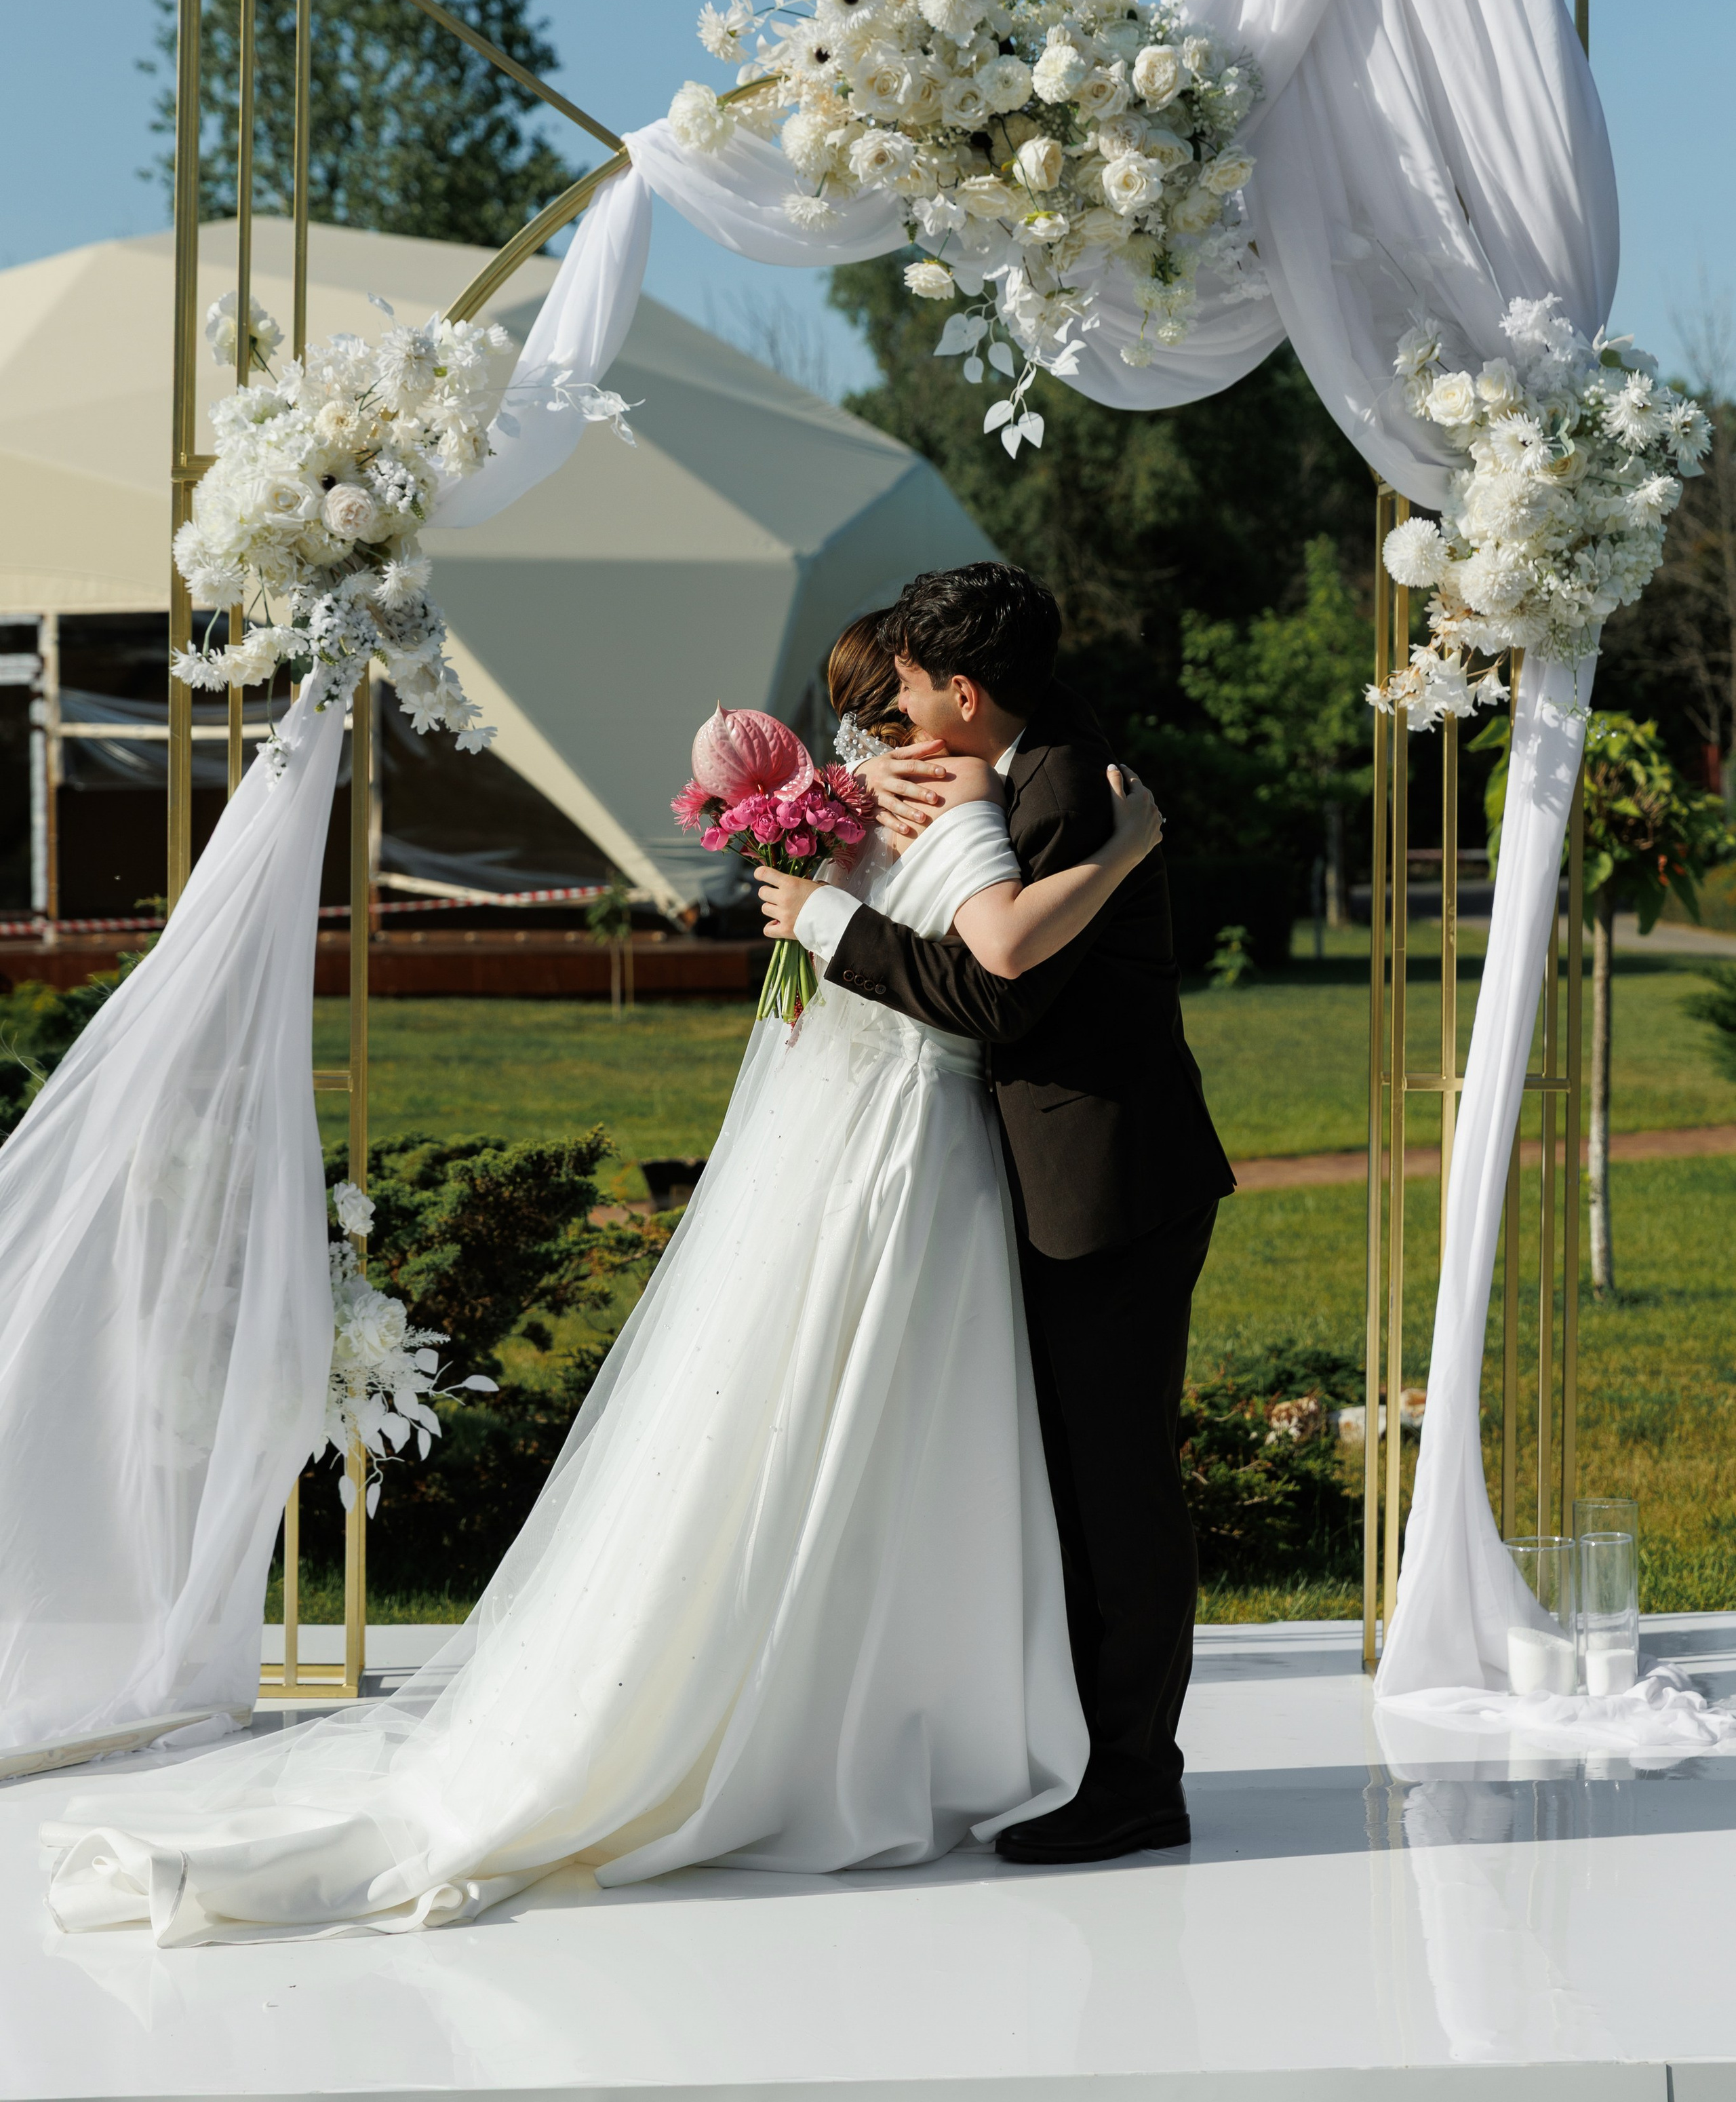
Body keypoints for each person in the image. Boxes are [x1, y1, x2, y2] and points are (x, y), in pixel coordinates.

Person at [42, 618, 1162, 1946]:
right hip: (911, 1157)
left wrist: (835, 871)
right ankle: (880, 1725)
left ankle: (825, 1713)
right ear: (922, 711)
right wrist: (1123, 844)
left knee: (832, 1419)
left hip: (861, 1144)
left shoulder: (844, 819)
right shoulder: (954, 806)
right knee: (895, 1427)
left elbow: (850, 961)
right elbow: (998, 960)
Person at [761, 564, 1235, 1865]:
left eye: (913, 691)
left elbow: (996, 996)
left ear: (965, 693)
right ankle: (1098, 1757)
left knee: (1117, 1491)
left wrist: (829, 924)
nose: (898, 715)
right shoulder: (1021, 756)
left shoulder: (1069, 790)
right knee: (1081, 1486)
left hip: (1111, 1187)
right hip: (1060, 1179)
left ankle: (1139, 1783)